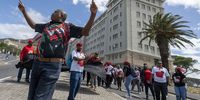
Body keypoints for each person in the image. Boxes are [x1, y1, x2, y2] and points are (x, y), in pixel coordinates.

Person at [18, 0, 97, 99]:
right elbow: (33, 25)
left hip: (51, 66)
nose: (52, 12)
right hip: (37, 63)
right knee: (31, 96)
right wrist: (24, 11)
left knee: (40, 97)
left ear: (61, 15)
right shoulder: (47, 25)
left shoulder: (68, 27)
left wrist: (93, 14)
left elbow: (85, 32)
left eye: (55, 11)